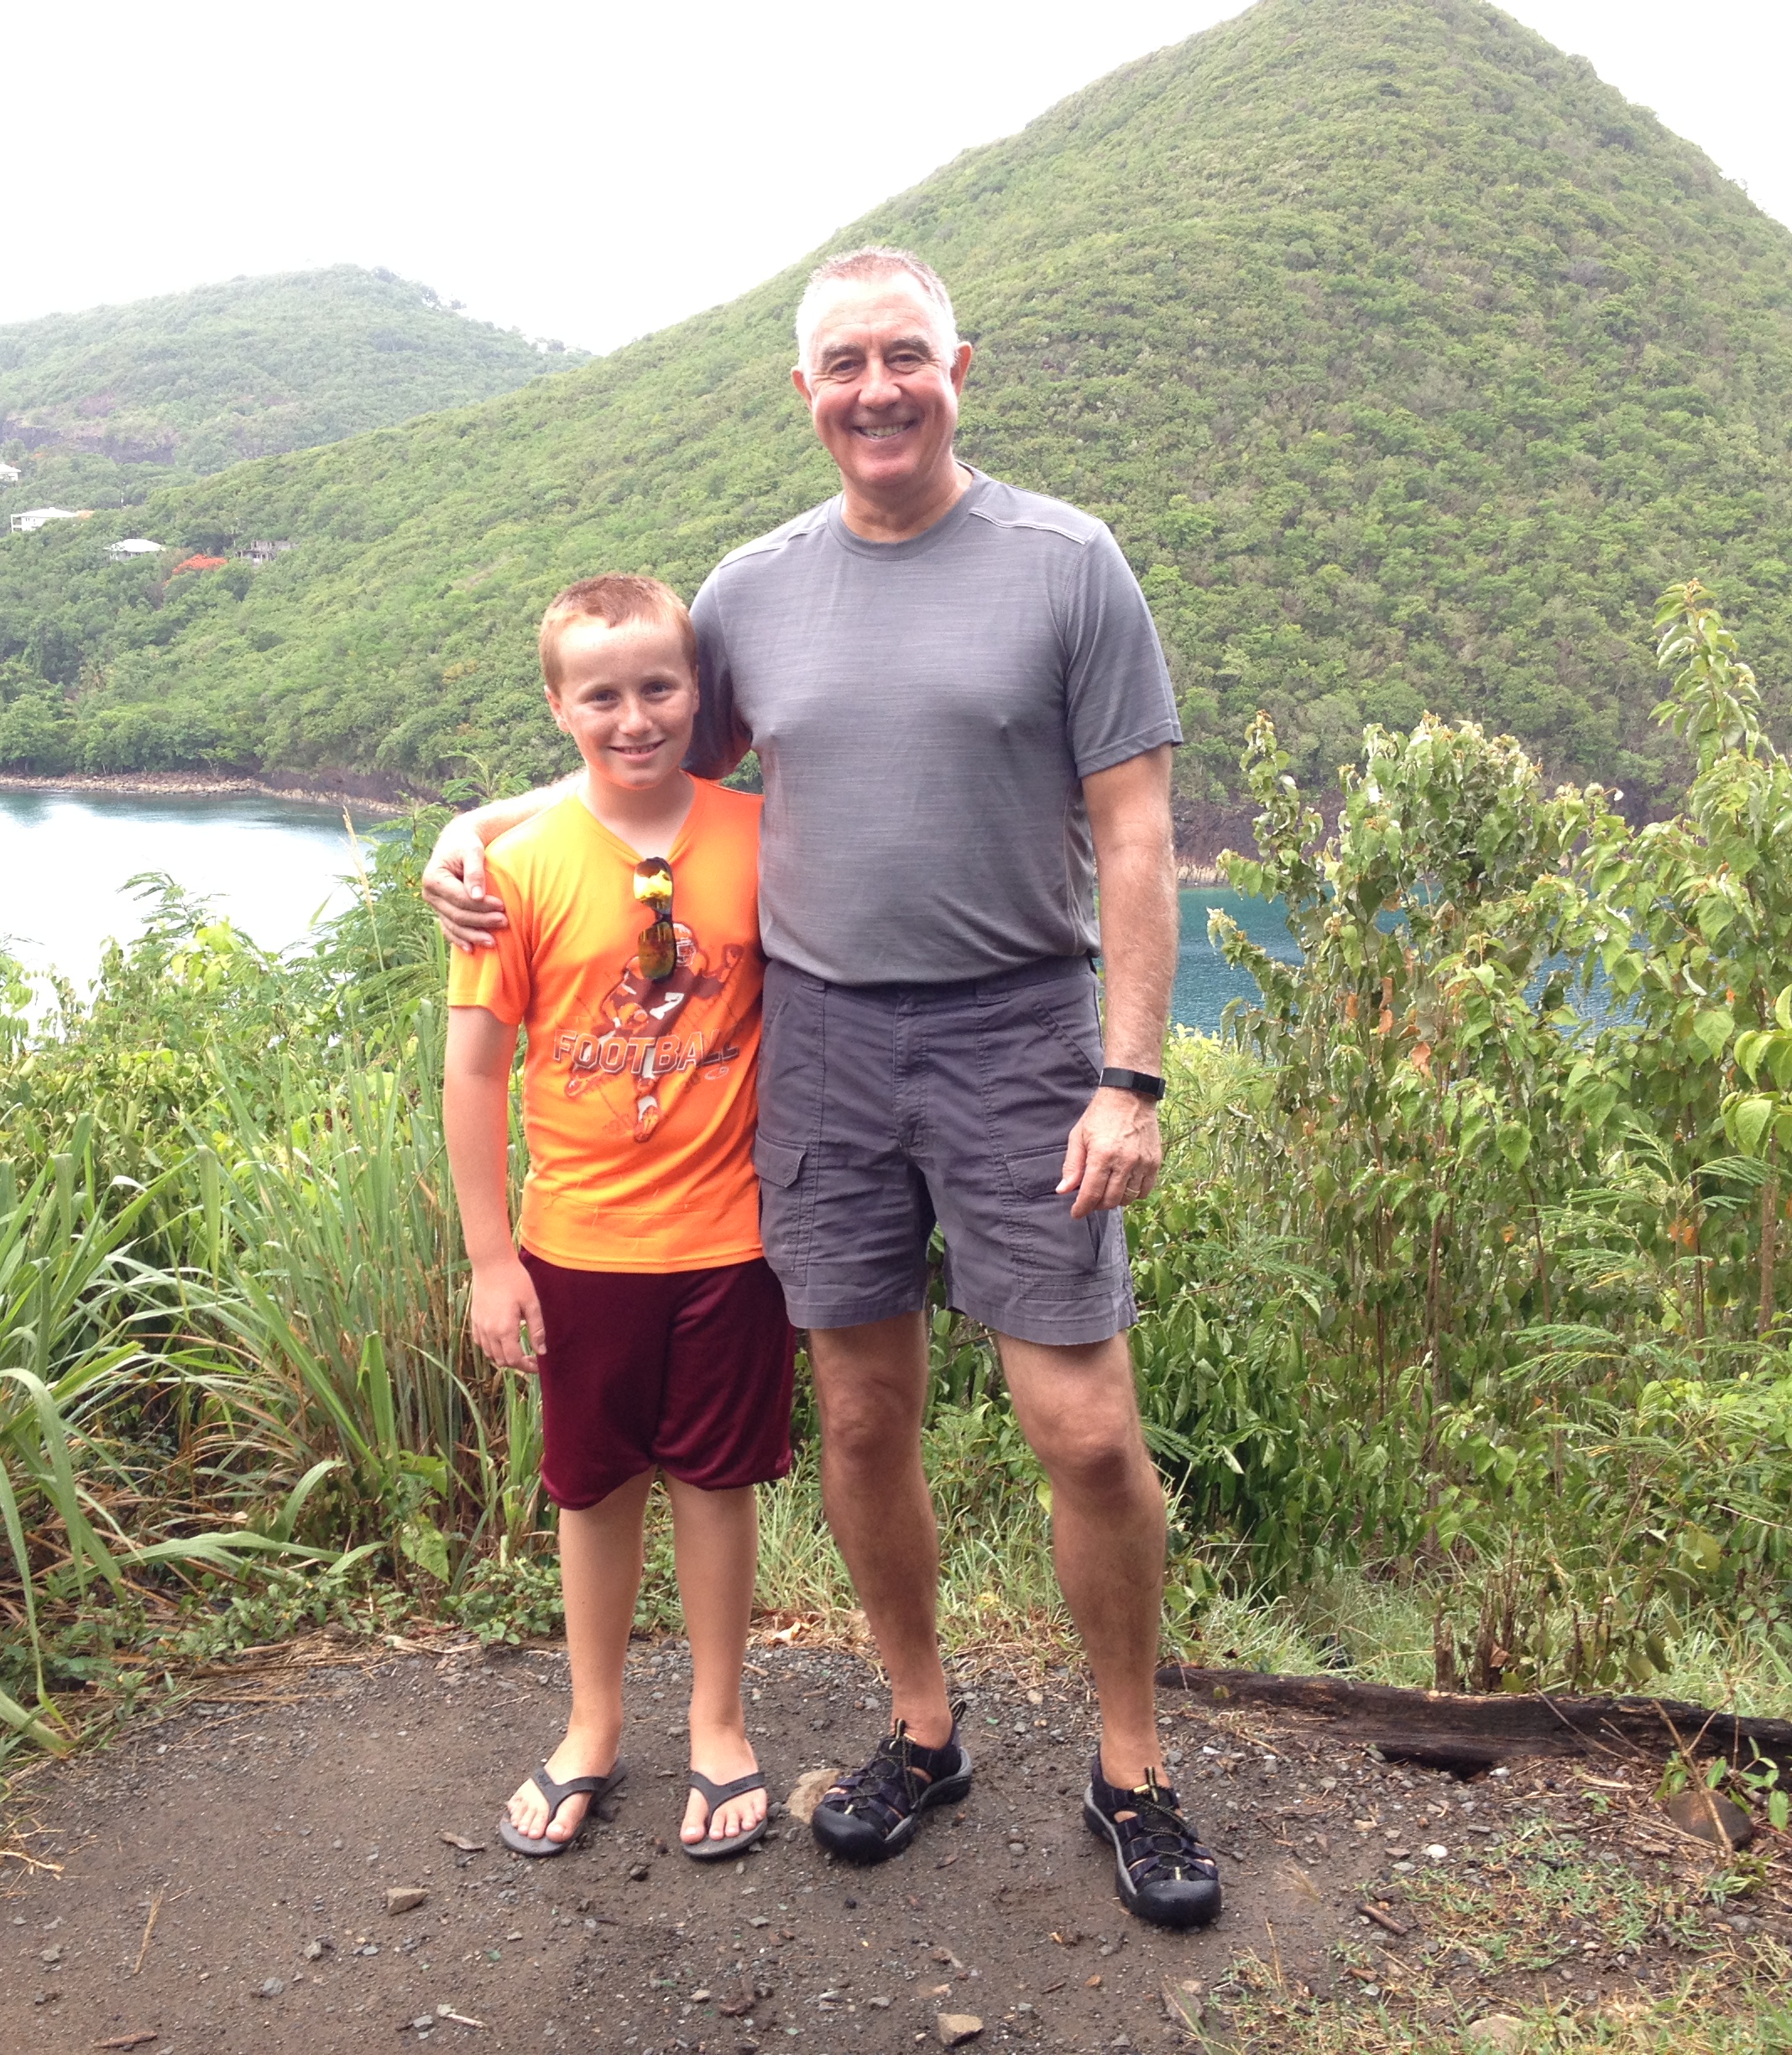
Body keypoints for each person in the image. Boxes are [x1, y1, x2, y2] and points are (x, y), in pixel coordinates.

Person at [426, 249, 1219, 1927]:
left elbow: (1138, 831)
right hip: (826, 1043)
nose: (878, 389)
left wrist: (1131, 1077)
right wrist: (479, 827)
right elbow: (642, 766)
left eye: (904, 356)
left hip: (1019, 1034)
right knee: (861, 1413)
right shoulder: (753, 593)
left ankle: (1132, 1767)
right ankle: (923, 1729)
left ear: (957, 367)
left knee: (1084, 1426)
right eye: (844, 364)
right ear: (805, 392)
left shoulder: (1068, 563)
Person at [441, 573, 792, 1862]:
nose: (633, 717)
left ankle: (719, 1722)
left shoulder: (763, 837)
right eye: (601, 695)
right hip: (578, 1244)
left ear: (699, 693)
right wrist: (491, 1258)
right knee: (591, 1489)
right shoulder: (515, 868)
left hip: (733, 1238)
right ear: (558, 705)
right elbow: (474, 1069)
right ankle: (592, 1723)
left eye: (657, 687)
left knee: (715, 1481)